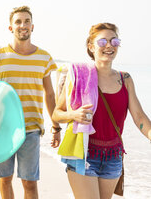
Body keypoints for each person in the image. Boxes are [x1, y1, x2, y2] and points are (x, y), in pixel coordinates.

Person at [52, 23, 151, 199]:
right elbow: (57, 113)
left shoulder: (125, 79)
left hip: (113, 157)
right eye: (102, 41)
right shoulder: (78, 76)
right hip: (84, 153)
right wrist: (73, 115)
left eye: (114, 41)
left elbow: (139, 117)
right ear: (91, 46)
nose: (109, 45)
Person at [0, 6, 61, 199]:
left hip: (31, 128)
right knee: (5, 179)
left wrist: (56, 127)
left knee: (29, 182)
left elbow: (50, 95)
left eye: (26, 21)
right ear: (10, 28)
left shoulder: (44, 58)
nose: (23, 25)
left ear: (33, 26)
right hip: (2, 128)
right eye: (18, 22)